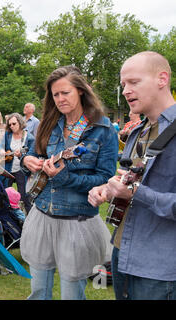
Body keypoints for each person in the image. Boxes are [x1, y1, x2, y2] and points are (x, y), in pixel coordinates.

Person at [20, 65, 118, 300]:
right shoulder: (49, 123)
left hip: (77, 221)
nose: (60, 99)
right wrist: (28, 160)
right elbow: (33, 153)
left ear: (81, 91)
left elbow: (105, 179)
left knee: (72, 294)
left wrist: (65, 177)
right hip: (43, 215)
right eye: (56, 94)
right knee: (38, 292)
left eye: (66, 93)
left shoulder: (103, 129)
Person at [88, 51, 176, 300]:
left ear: (162, 79)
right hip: (121, 252)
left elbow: (138, 190)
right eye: (123, 84)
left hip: (159, 267)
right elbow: (130, 180)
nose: (125, 90)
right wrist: (108, 189)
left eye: (134, 82)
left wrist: (137, 193)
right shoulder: (137, 131)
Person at [0, 112, 34, 213]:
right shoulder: (8, 135)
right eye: (10, 124)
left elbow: (32, 154)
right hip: (8, 169)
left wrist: (22, 156)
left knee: (24, 196)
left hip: (22, 170)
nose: (11, 126)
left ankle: (27, 219)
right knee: (5, 194)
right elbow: (0, 146)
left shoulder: (29, 138)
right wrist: (1, 151)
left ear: (20, 122)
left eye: (14, 124)